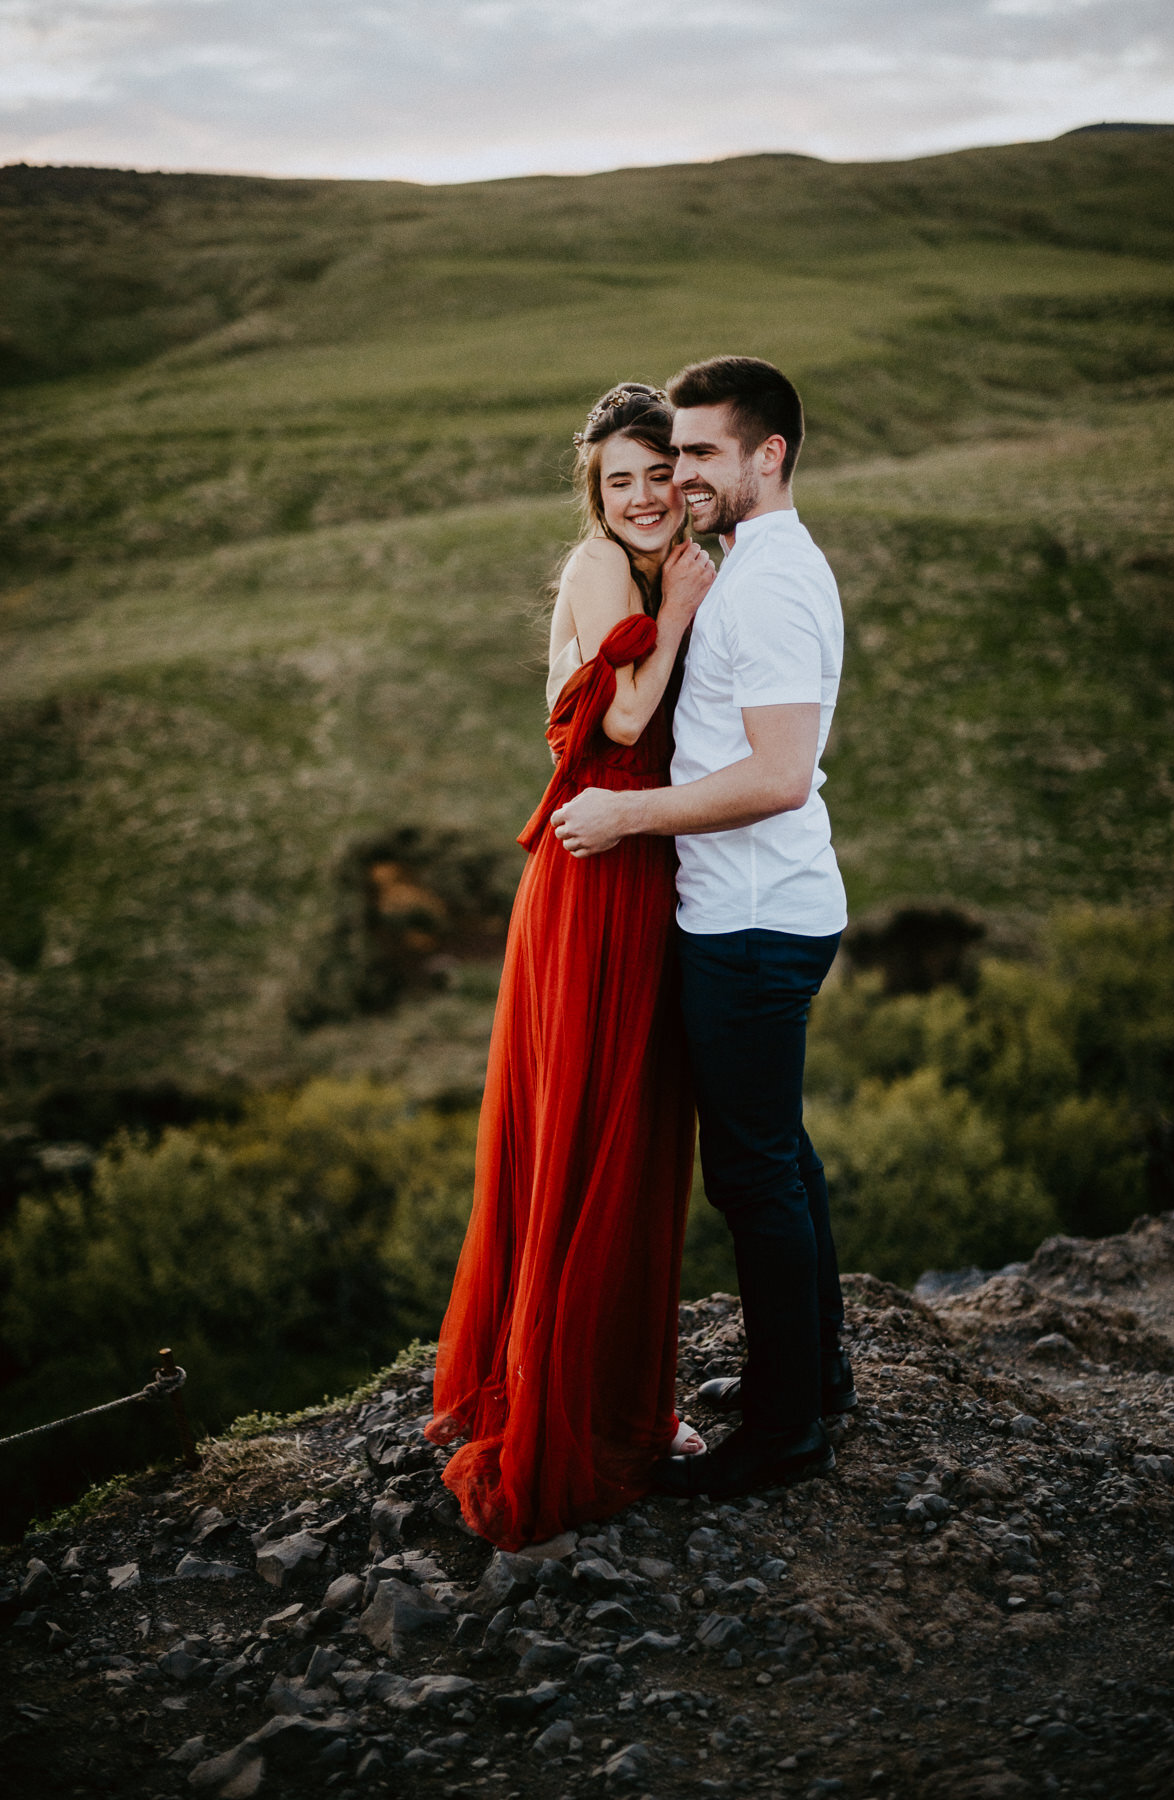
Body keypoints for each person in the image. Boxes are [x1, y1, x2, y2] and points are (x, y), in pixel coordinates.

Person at [552, 356, 855, 1503]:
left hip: (750, 919)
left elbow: (780, 776)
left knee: (751, 1175)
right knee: (778, 1151)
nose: (680, 476)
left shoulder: (769, 581)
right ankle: (812, 1376)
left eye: (702, 454)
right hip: (758, 906)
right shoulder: (746, 563)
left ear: (766, 455)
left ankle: (783, 1437)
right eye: (672, 454)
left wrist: (628, 814)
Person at [425, 383, 716, 1548]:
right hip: (593, 876)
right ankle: (565, 1405)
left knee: (628, 1139)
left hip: (641, 866)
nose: (641, 498)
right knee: (583, 1137)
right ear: (594, 494)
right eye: (619, 480)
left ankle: (619, 1394)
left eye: (657, 474)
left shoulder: (662, 569)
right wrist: (685, 607)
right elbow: (631, 724)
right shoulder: (606, 569)